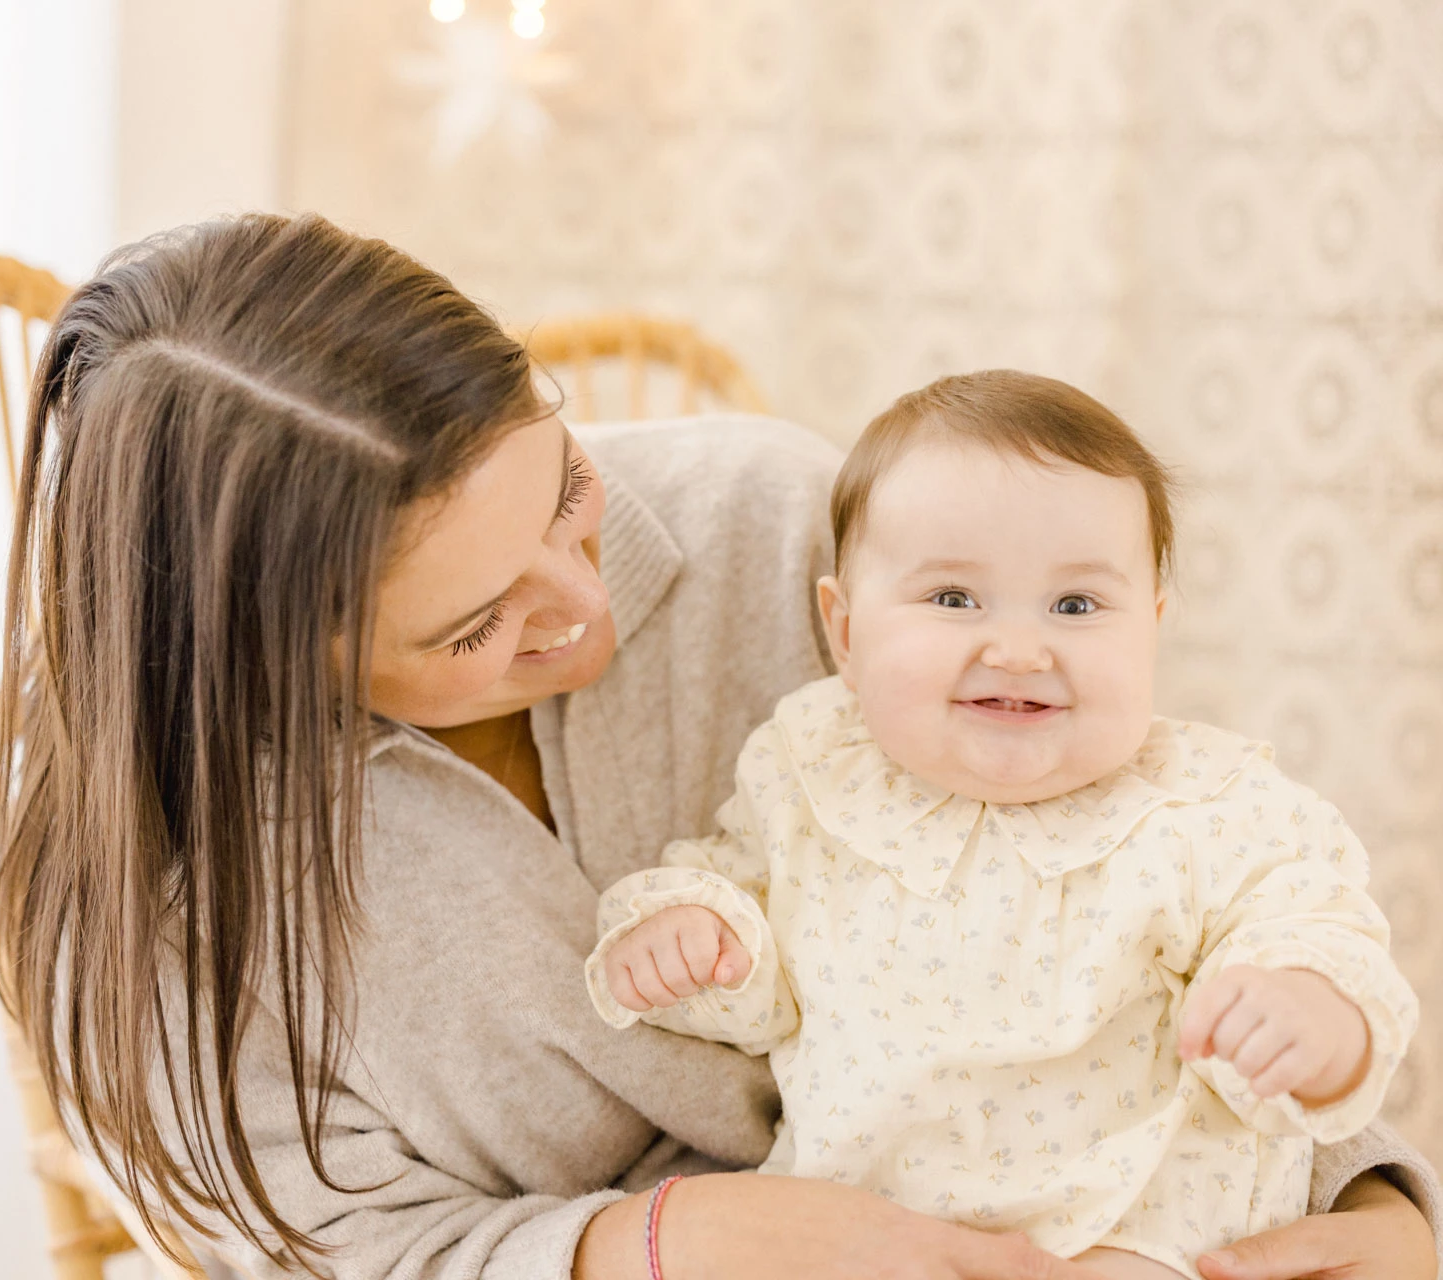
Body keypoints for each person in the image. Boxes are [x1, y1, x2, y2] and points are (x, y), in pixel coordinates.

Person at [0, 212, 1440, 1280]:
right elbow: (339, 1251)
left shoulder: (765, 517)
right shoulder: (165, 898)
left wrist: (1373, 1206)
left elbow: (1124, 879)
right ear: (272, 663)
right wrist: (654, 1247)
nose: (583, 602)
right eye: (478, 624)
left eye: (565, 488)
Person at [585, 371, 1418, 1280]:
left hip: (1137, 1234)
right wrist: (701, 941)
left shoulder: (1205, 808)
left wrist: (1314, 1016)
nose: (1020, 648)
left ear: (1153, 628)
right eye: (953, 599)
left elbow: (1312, 924)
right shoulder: (812, 778)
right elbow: (760, 968)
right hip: (867, 1239)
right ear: (846, 633)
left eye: (1076, 606)